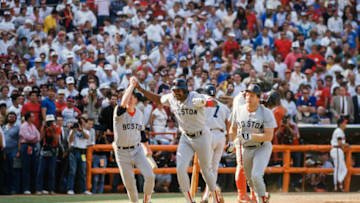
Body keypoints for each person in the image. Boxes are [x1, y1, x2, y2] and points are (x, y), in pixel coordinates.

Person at [134, 77, 223, 203]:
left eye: (179, 91)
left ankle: (215, 197)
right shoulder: (171, 97)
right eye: (174, 90)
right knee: (180, 169)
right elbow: (158, 99)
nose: (176, 93)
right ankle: (189, 200)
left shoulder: (195, 97)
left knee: (206, 170)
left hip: (202, 135)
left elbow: (213, 102)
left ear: (185, 90)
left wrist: (205, 102)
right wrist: (141, 89)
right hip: (186, 137)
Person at [228, 83, 276, 203]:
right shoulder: (239, 110)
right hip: (246, 148)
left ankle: (262, 200)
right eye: (247, 94)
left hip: (262, 146)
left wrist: (250, 136)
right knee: (250, 180)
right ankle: (263, 195)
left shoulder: (266, 113)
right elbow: (233, 128)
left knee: (256, 175)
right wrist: (231, 142)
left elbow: (269, 136)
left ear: (259, 98)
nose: (248, 97)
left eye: (253, 95)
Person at [112, 78, 155, 203]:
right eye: (129, 96)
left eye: (133, 97)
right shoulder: (118, 111)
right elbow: (123, 104)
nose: (131, 98)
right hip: (121, 152)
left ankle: (147, 200)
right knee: (130, 185)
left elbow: (141, 133)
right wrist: (132, 86)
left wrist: (147, 147)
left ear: (136, 100)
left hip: (137, 150)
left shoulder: (140, 114)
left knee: (150, 176)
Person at [201, 84, 230, 203]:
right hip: (221, 136)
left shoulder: (202, 105)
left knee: (205, 169)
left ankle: (210, 193)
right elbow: (229, 123)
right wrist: (228, 137)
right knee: (214, 168)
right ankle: (211, 195)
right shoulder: (223, 107)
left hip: (208, 135)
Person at [36, 114, 60, 195]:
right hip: (44, 150)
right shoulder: (44, 128)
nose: (50, 123)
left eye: (51, 122)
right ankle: (39, 189)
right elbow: (41, 138)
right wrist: (44, 129)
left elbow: (56, 139)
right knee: (41, 171)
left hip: (52, 151)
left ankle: (51, 189)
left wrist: (52, 130)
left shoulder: (56, 128)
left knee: (51, 172)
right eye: (48, 122)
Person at [67, 117, 91, 195]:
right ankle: (70, 189)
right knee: (72, 171)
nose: (82, 124)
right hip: (74, 151)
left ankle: (83, 189)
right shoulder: (73, 130)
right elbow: (70, 141)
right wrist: (74, 130)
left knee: (82, 172)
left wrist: (81, 130)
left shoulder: (86, 131)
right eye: (81, 123)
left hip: (82, 152)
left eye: (83, 122)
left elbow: (87, 137)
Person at [19, 112, 41, 194]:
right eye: (32, 116)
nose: (34, 118)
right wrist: (34, 138)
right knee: (26, 167)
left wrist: (34, 138)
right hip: (26, 145)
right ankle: (26, 188)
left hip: (32, 145)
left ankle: (34, 188)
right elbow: (27, 136)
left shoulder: (33, 126)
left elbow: (38, 136)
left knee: (34, 167)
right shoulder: (24, 126)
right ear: (28, 118)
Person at [330, 118, 349, 192]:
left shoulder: (340, 131)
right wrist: (346, 145)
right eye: (344, 123)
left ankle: (339, 183)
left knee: (344, 169)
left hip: (338, 150)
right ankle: (336, 187)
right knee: (338, 169)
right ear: (341, 124)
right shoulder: (339, 131)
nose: (345, 124)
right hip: (336, 149)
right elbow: (340, 143)